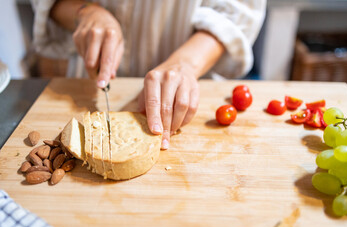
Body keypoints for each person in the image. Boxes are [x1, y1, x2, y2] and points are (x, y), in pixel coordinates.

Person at [31, 0, 266, 149]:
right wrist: (85, 12)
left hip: (190, 81)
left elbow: (238, 12)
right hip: (86, 77)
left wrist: (185, 63)